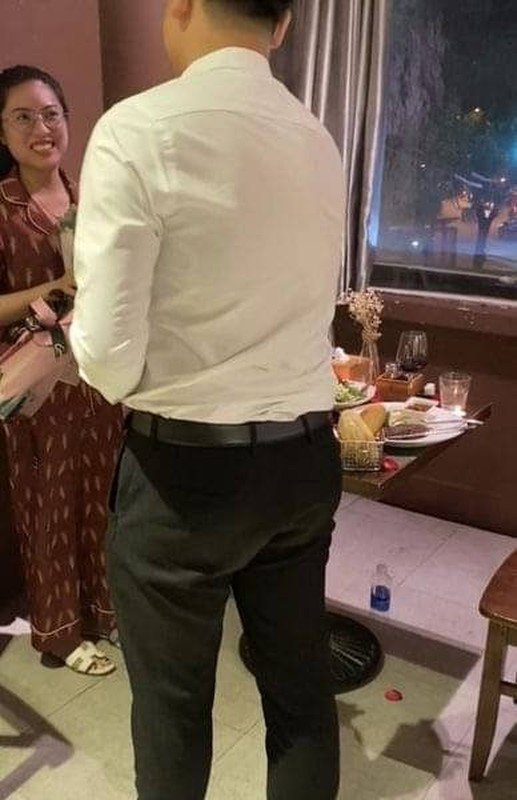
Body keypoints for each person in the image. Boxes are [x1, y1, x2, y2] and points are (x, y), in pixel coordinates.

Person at [71, 0, 345, 797]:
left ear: (181, 5)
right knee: (299, 690)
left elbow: (108, 361)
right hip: (303, 460)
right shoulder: (316, 137)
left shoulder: (136, 129)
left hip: (182, 475)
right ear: (283, 25)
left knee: (172, 709)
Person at [0, 65, 124, 676]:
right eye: (23, 117)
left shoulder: (92, 200)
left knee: (101, 499)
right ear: (2, 131)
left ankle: (104, 612)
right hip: (35, 387)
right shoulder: (2, 210)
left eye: (51, 114)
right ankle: (59, 632)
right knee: (47, 508)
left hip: (98, 378)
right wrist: (60, 287)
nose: (40, 129)